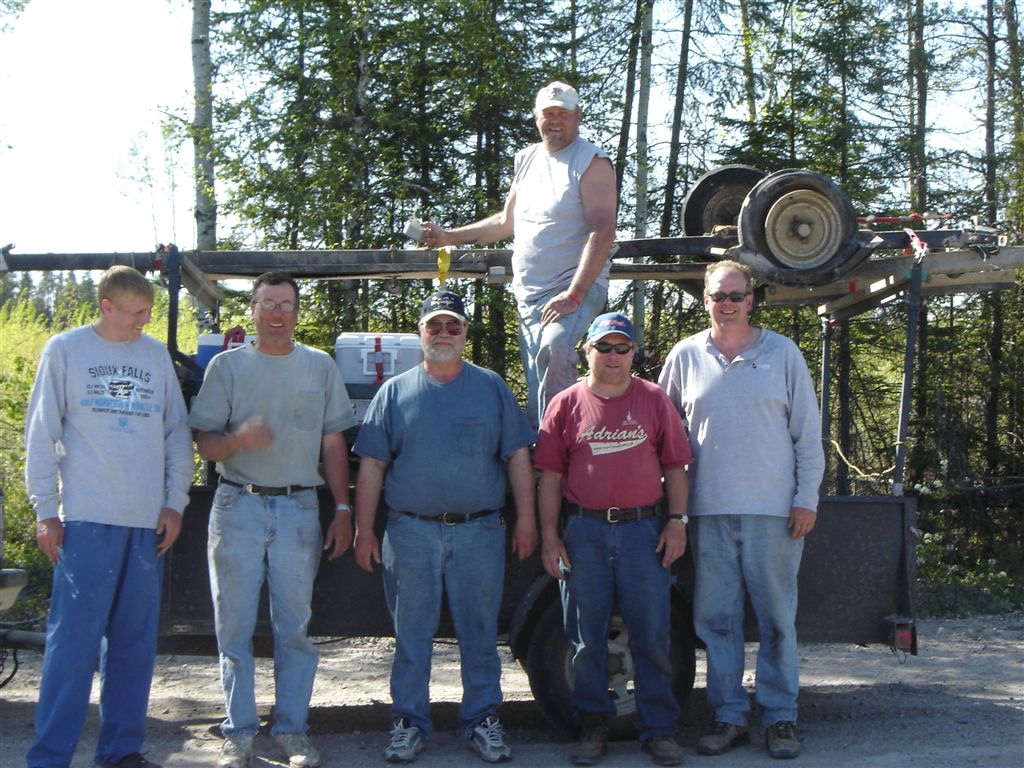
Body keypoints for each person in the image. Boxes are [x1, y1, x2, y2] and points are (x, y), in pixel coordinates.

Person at [352, 290, 537, 764]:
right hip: (410, 533)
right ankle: (408, 724)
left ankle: (482, 720)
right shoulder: (394, 392)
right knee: (412, 636)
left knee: (480, 634)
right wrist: (364, 529)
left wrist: (527, 519)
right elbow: (372, 465)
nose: (443, 333)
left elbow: (518, 456)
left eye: (453, 326)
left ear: (465, 334)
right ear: (420, 332)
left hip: (480, 531)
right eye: (434, 325)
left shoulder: (491, 387)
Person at [24, 265, 193, 768]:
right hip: (84, 520)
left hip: (145, 524)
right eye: (136, 313)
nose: (144, 321)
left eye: (148, 312)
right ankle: (50, 756)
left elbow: (176, 433)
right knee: (71, 647)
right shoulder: (65, 350)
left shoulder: (154, 355)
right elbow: (41, 433)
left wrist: (175, 502)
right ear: (106, 307)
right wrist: (45, 511)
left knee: (133, 645)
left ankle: (120, 751)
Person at [658, 260, 825, 760]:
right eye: (718, 295)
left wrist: (806, 498)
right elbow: (663, 433)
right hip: (707, 513)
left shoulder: (782, 353)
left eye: (735, 295)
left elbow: (808, 435)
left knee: (776, 622)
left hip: (774, 514)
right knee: (716, 623)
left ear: (750, 300)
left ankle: (780, 718)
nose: (727, 304)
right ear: (705, 299)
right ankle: (729, 718)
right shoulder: (686, 355)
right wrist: (673, 509)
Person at [188, 272, 356, 768]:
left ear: (297, 312)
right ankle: (238, 732)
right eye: (268, 304)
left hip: (299, 508)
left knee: (294, 630)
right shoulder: (227, 366)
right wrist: (237, 440)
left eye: (286, 305)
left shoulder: (319, 365)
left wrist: (342, 508)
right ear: (253, 310)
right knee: (234, 628)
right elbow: (204, 443)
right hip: (237, 505)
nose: (277, 314)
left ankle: (292, 731)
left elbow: (333, 444)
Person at [534, 313, 692, 767]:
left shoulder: (654, 399)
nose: (613, 356)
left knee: (652, 634)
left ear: (632, 354)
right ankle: (592, 725)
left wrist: (677, 521)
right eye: (604, 347)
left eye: (622, 348)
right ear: (588, 352)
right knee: (586, 638)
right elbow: (549, 477)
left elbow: (676, 466)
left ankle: (659, 729)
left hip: (644, 531)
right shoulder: (565, 404)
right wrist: (550, 536)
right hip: (584, 531)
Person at [421, 81, 617, 429]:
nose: (554, 120)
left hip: (573, 288)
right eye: (548, 113)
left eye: (563, 113)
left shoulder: (592, 161)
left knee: (555, 349)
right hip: (529, 296)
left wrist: (574, 295)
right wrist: (449, 237)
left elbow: (603, 231)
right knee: (538, 382)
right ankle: (546, 447)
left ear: (578, 117)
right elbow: (505, 222)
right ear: (537, 117)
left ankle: (563, 446)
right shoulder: (527, 159)